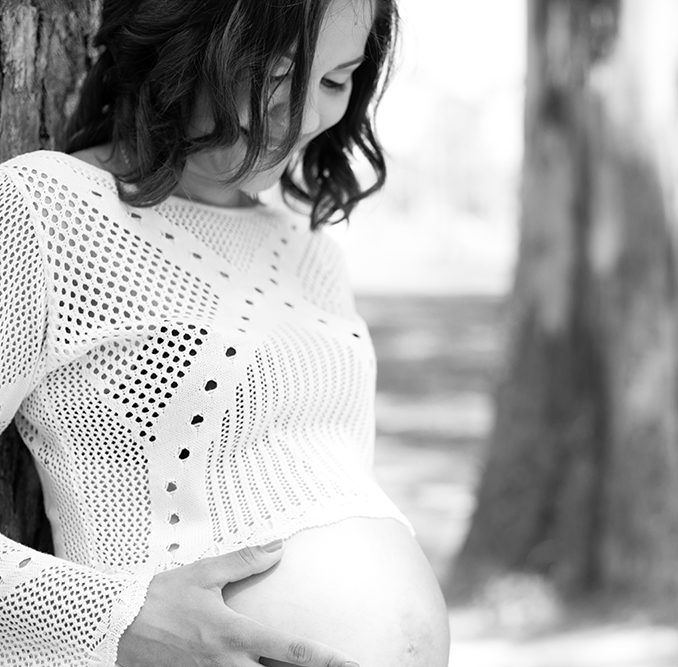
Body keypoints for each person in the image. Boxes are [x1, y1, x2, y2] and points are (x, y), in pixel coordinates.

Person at [0, 0, 451, 665]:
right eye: (275, 75)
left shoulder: (309, 251)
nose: (301, 115)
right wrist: (115, 618)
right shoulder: (47, 211)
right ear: (179, 36)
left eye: (335, 80)